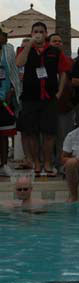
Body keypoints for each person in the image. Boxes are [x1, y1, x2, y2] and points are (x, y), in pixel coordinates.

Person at [15, 22, 71, 176]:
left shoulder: (54, 51)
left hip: (49, 98)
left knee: (49, 133)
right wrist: (30, 44)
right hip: (30, 98)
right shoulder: (24, 49)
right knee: (31, 133)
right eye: (35, 31)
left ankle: (47, 162)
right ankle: (36, 163)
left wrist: (59, 92)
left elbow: (64, 72)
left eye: (41, 31)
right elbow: (19, 63)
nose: (38, 33)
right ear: (31, 33)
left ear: (46, 34)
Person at [49, 33, 75, 173]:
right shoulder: (43, 60)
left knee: (64, 137)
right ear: (49, 43)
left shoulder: (70, 61)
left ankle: (62, 164)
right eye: (54, 41)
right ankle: (48, 163)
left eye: (60, 41)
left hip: (65, 106)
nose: (58, 43)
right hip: (47, 106)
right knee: (48, 137)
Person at [0, 27, 20, 177]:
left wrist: (12, 91)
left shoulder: (9, 50)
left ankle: (4, 164)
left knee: (4, 134)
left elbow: (14, 74)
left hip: (5, 98)